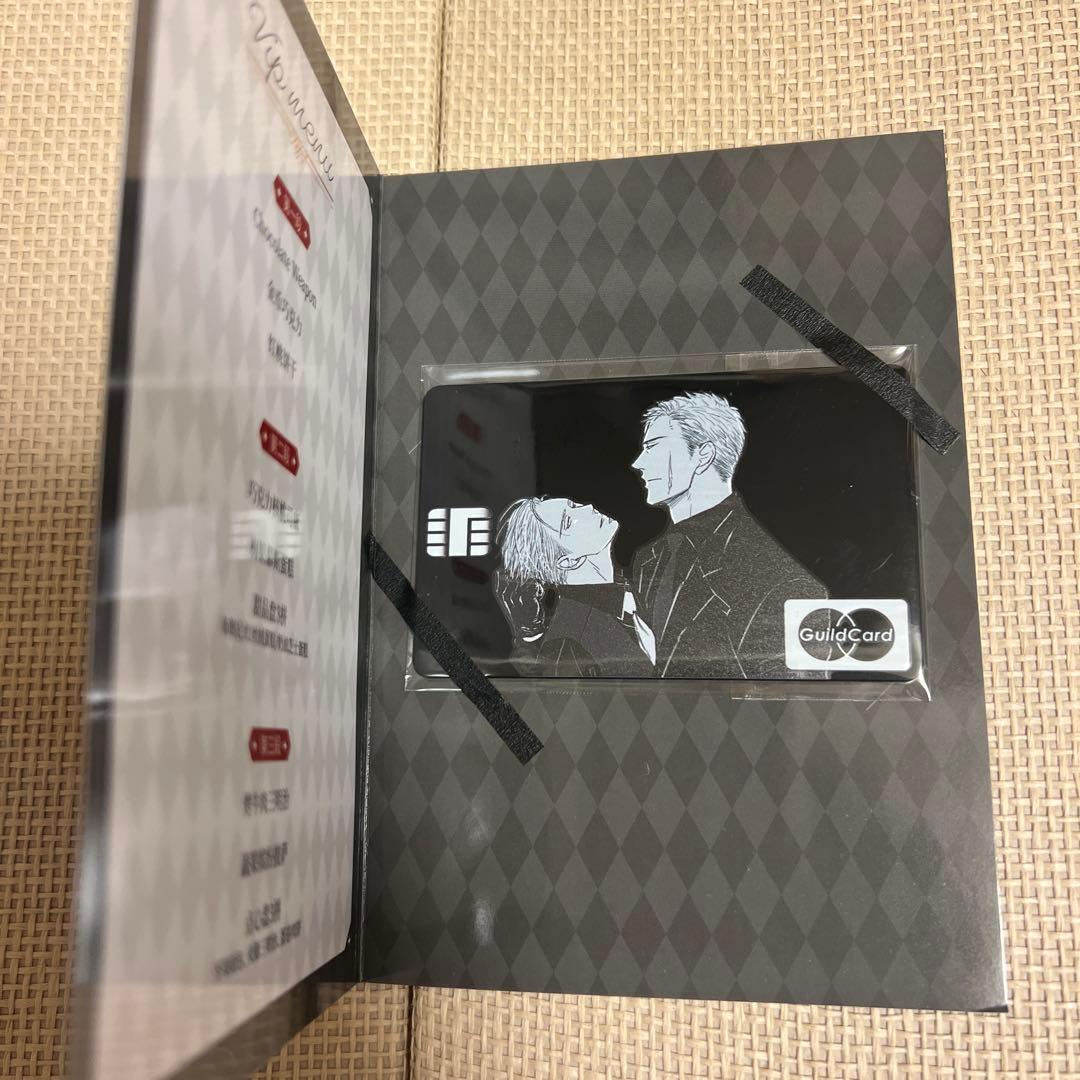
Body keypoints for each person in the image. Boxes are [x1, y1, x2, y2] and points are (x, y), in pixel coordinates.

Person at [630, 392, 827, 678]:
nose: (638, 462)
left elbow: (793, 697)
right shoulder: (648, 559)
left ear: (703, 455)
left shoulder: (783, 584)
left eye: (654, 447)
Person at [495, 496, 654, 677]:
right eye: (568, 522)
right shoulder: (567, 643)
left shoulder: (642, 585)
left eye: (574, 505)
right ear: (568, 561)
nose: (589, 507)